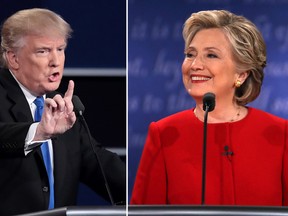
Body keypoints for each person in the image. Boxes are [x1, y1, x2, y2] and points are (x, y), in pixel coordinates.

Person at [130, 9, 288, 205]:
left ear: (241, 74)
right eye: (190, 54)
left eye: (211, 55)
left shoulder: (280, 134)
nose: (195, 65)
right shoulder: (165, 134)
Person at [0, 8, 125, 216]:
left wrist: (151, 189)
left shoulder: (61, 106)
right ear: (14, 58)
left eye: (60, 49)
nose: (56, 61)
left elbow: (100, 166)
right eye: (43, 51)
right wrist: (38, 133)